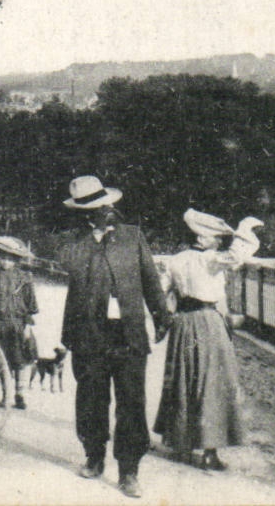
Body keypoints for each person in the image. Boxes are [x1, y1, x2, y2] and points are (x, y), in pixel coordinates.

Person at [58, 175, 172, 499]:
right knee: (91, 398)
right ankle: (94, 456)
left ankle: (129, 470)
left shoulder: (133, 236)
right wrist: (95, 238)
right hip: (89, 332)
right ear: (84, 213)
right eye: (96, 209)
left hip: (128, 332)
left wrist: (161, 315)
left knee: (132, 401)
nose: (105, 211)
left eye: (105, 205)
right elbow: (71, 268)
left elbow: (150, 279)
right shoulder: (73, 241)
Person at [153, 208, 263, 471]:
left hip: (182, 323)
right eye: (215, 238)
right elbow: (237, 254)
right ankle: (209, 452)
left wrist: (164, 321)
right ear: (202, 238)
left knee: (183, 379)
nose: (218, 243)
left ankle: (181, 444)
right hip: (207, 322)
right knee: (212, 381)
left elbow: (160, 294)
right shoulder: (209, 260)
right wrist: (245, 228)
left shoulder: (174, 261)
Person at [0, 235, 39, 410]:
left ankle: (20, 393)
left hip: (18, 325)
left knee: (20, 360)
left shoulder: (24, 278)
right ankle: (6, 394)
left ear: (16, 260)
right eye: (2, 257)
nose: (6, 262)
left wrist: (27, 325)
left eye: (10, 259)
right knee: (1, 360)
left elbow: (30, 303)